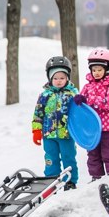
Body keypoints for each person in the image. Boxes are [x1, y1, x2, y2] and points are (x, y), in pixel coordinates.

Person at [73, 48, 109, 182]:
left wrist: (90, 101)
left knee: (108, 153)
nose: (96, 73)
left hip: (108, 127)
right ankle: (97, 177)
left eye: (99, 70)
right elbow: (82, 105)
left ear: (108, 69)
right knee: (93, 154)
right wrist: (78, 100)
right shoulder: (88, 86)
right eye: (94, 70)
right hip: (92, 127)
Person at [32, 55, 80, 190]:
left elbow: (80, 114)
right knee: (50, 158)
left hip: (67, 134)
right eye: (55, 78)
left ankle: (70, 181)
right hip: (49, 135)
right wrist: (36, 130)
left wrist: (81, 101)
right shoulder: (45, 95)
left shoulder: (73, 94)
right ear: (50, 79)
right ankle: (51, 180)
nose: (59, 81)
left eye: (62, 78)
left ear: (68, 78)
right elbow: (38, 114)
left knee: (68, 157)